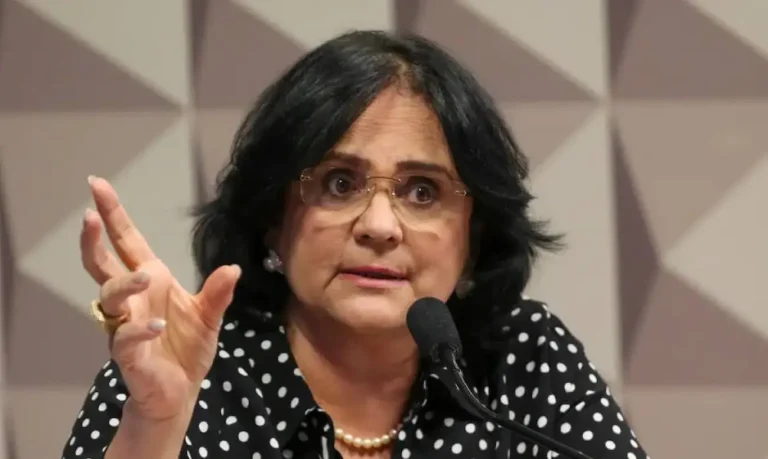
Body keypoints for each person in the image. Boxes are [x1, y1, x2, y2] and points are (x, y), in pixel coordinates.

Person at [61, 30, 648, 459]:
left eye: (422, 191)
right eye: (340, 184)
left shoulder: (524, 360)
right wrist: (155, 425)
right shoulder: (178, 373)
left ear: (474, 236)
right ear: (273, 218)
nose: (380, 226)